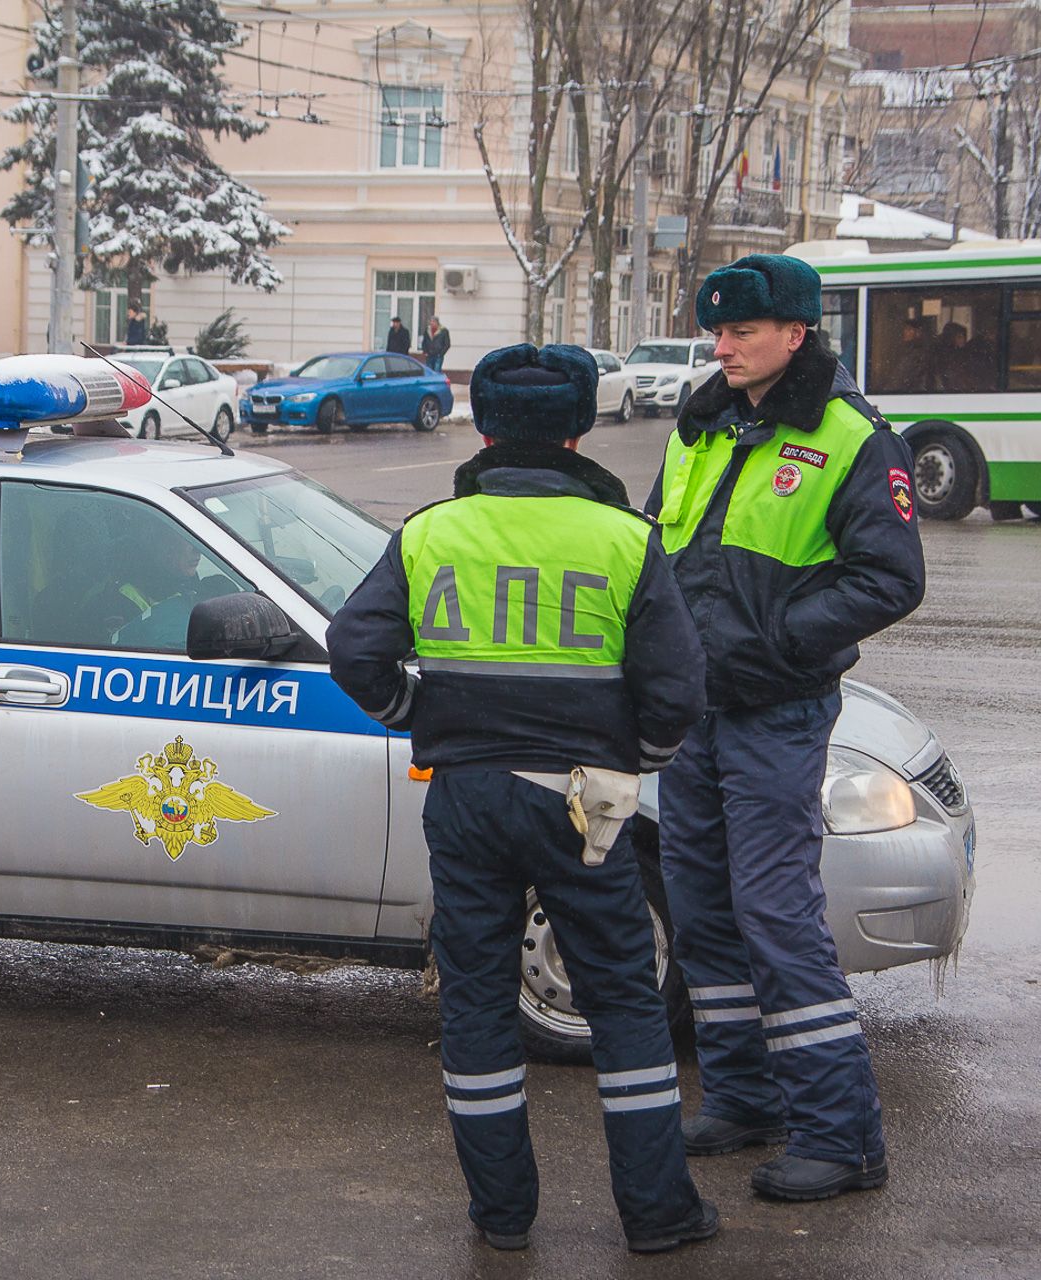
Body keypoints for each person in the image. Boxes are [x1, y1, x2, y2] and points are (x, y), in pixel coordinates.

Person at [329, 343, 717, 1255]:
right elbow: (678, 692)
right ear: (580, 432)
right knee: (623, 1002)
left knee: (474, 1000)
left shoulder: (432, 532)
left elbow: (356, 650)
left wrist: (413, 711)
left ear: (486, 428)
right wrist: (639, 757)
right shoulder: (625, 540)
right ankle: (658, 1215)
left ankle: (502, 1218)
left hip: (466, 798)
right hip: (586, 805)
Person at [645, 253, 925, 1202]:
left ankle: (843, 1140)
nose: (721, 344)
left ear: (794, 335)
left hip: (776, 708)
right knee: (701, 905)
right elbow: (659, 551)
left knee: (775, 913)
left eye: (742, 332)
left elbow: (892, 578)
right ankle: (743, 1098)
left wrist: (780, 644)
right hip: (695, 711)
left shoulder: (849, 435)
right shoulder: (702, 420)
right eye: (716, 331)